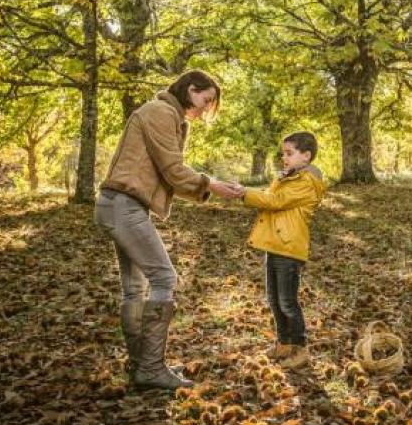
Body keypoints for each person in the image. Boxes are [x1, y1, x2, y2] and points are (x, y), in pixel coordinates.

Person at [95, 69, 242, 390]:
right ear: (190, 89)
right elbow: (173, 169)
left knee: (135, 289)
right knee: (164, 278)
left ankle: (143, 364)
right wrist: (212, 185)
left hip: (119, 205)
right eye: (206, 100)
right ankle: (150, 367)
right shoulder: (161, 112)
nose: (205, 108)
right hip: (124, 205)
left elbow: (169, 173)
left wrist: (206, 187)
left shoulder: (165, 113)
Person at [235, 132, 326, 369]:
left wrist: (244, 193)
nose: (283, 158)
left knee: (287, 301)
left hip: (289, 247)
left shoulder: (306, 183)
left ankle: (300, 347)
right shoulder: (288, 178)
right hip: (274, 245)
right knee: (274, 299)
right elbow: (271, 196)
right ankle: (284, 342)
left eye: (289, 153)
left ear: (305, 156)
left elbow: (275, 201)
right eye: (282, 153)